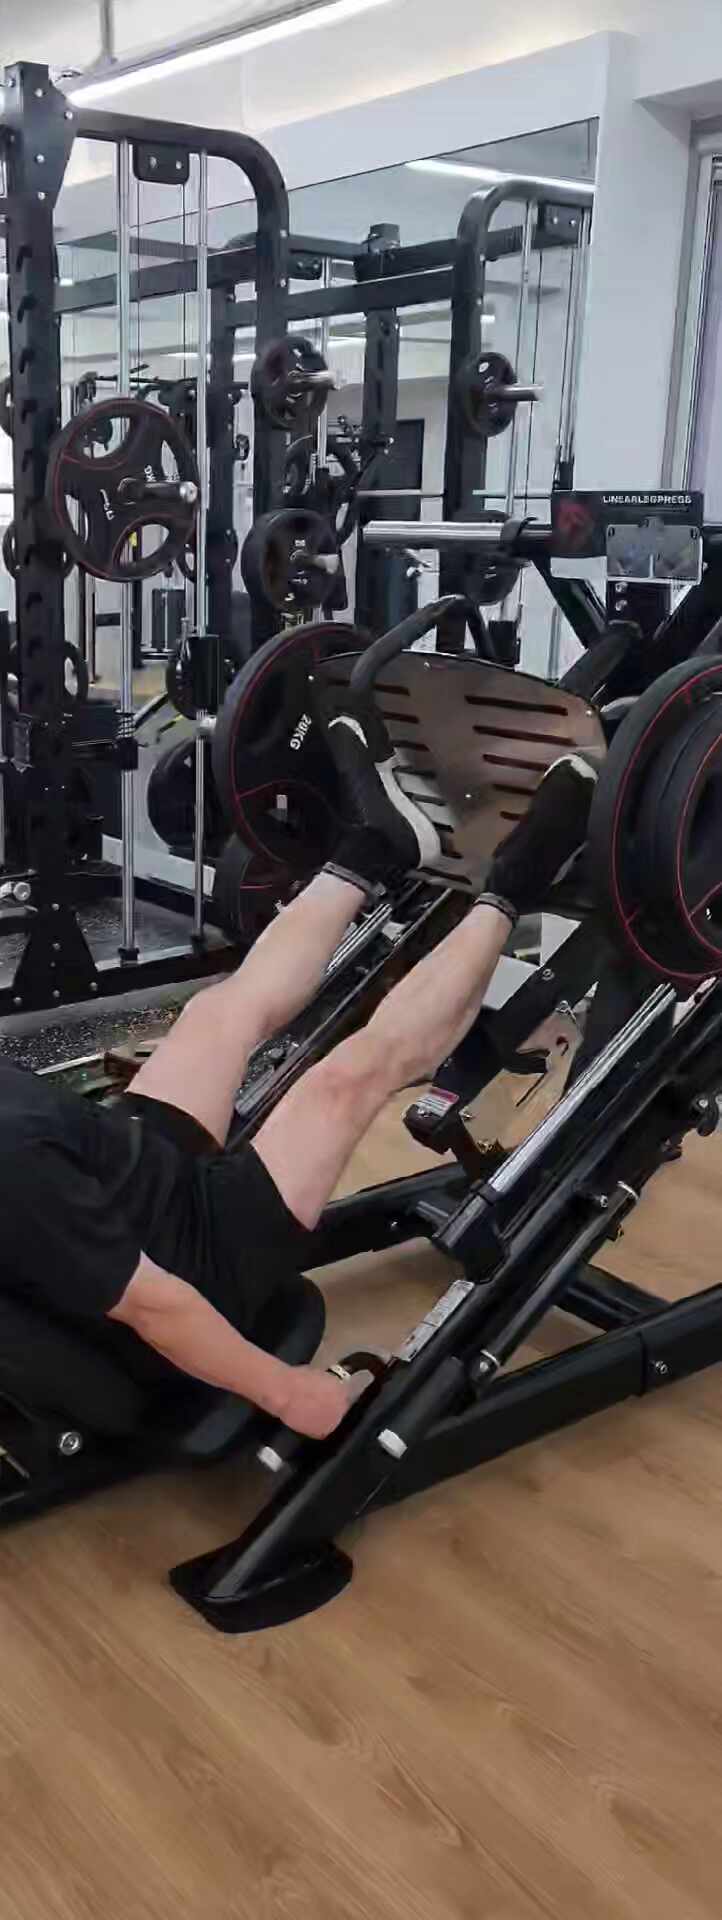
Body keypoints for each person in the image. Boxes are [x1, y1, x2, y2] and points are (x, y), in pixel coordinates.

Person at [0, 693, 598, 1441]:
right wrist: (289, 1395)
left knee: (217, 1017)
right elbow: (157, 1307)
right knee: (345, 1079)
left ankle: (373, 847)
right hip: (198, 1265)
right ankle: (520, 878)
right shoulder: (13, 1171)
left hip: (126, 1175)